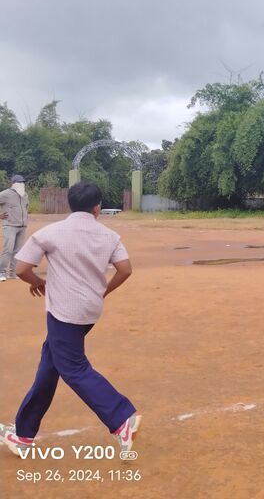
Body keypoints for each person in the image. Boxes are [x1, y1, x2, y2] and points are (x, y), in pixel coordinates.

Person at [0, 181, 141, 459]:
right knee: (50, 363)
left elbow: (22, 267)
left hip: (64, 312)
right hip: (89, 310)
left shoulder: (52, 232)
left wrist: (37, 282)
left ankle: (121, 417)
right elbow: (125, 269)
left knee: (73, 368)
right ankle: (24, 433)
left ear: (69, 204)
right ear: (97, 207)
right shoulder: (108, 235)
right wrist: (103, 291)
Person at [0, 174, 29, 282]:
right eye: (19, 182)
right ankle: (1, 271)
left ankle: (13, 273)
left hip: (22, 226)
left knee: (18, 251)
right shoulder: (5, 194)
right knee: (8, 249)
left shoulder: (25, 195)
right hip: (10, 225)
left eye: (22, 182)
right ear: (13, 183)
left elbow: (26, 208)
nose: (21, 184)